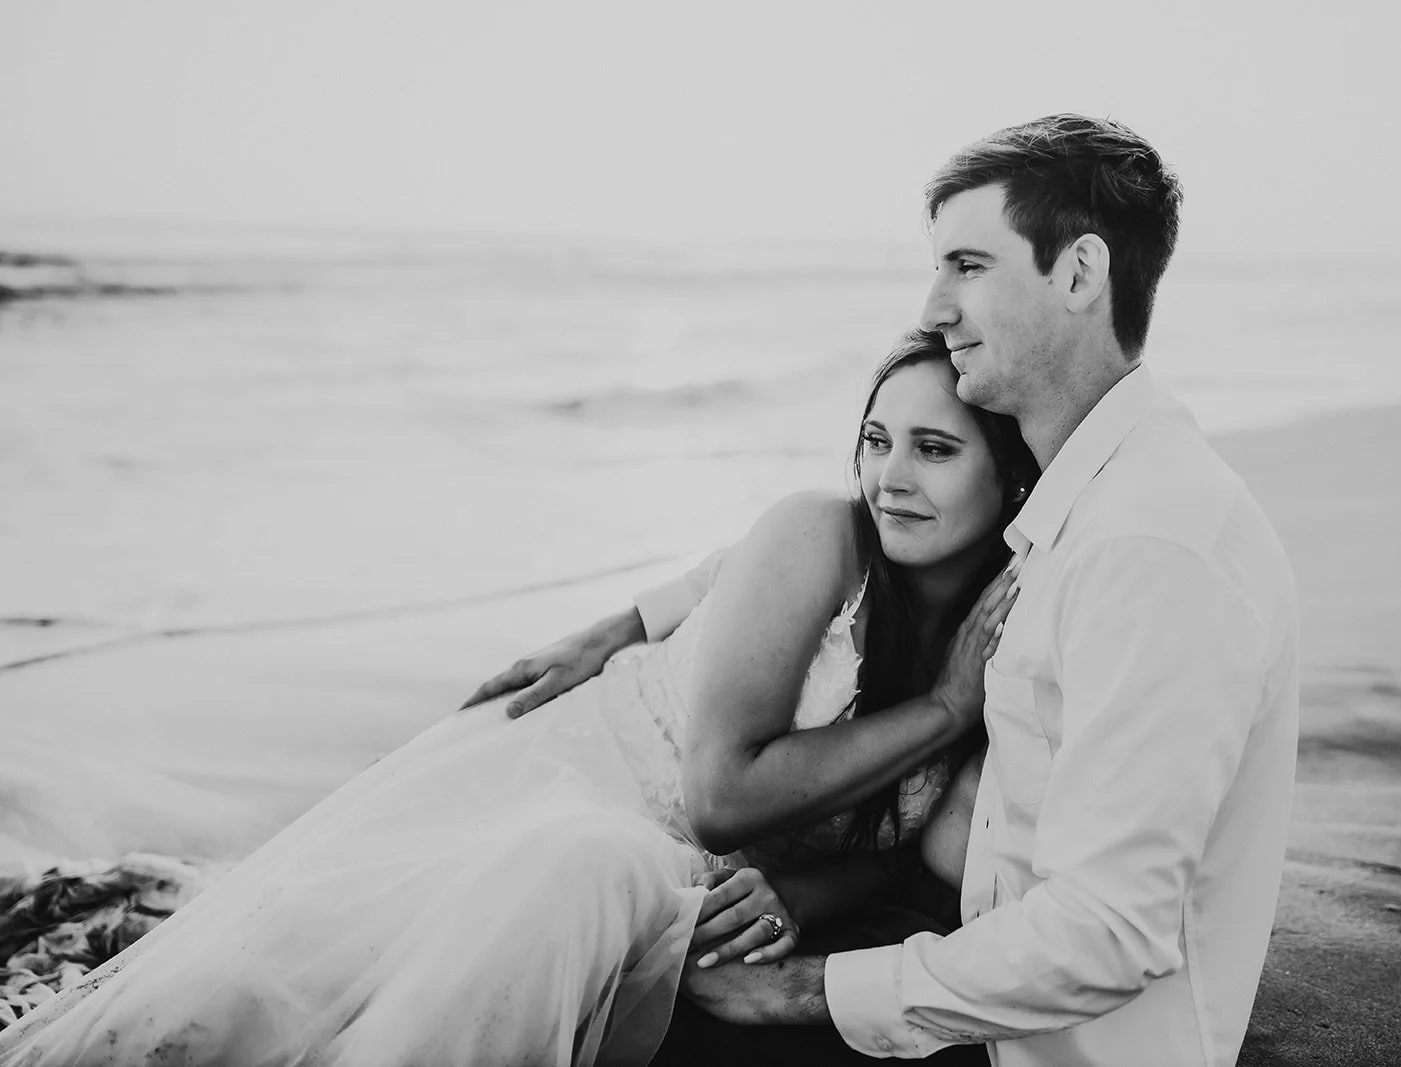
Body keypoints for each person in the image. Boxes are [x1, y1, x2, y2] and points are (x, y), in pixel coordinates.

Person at [0, 332, 1038, 1066]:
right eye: (875, 438)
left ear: (1013, 482)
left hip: (656, 882)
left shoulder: (1014, 640)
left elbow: (905, 846)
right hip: (554, 778)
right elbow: (722, 795)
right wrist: (944, 709)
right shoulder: (824, 534)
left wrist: (809, 895)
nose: (889, 476)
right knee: (254, 1002)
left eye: (935, 449)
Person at [532, 114, 1301, 1066]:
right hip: (976, 1001)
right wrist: (642, 615)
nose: (935, 304)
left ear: (1079, 274)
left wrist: (804, 991)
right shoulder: (1082, 509)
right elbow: (849, 528)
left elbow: (1106, 932)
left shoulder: (1148, 546)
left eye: (968, 265)